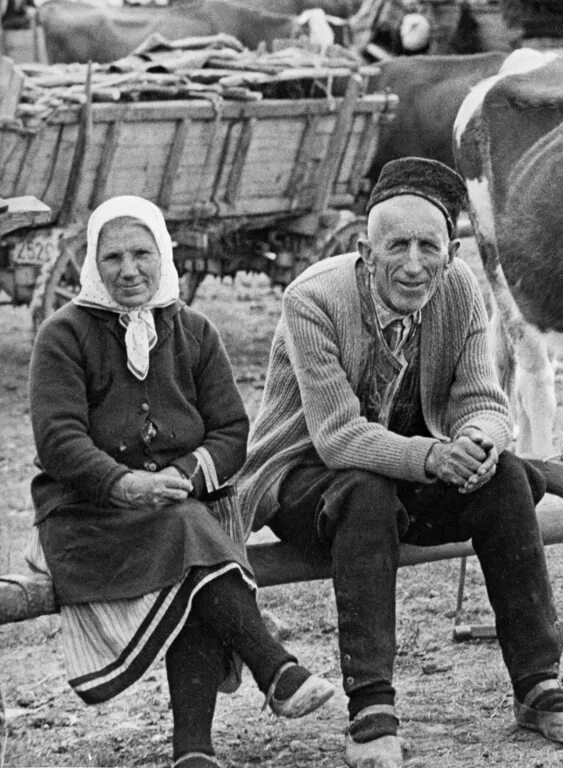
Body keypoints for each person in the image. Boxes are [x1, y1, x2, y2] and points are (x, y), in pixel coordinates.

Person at [236, 157, 563, 768]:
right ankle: (372, 711)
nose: (413, 264)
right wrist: (436, 456)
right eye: (396, 246)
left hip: (407, 471)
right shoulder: (312, 300)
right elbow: (337, 439)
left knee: (508, 477)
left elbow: (482, 402)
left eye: (428, 246)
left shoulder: (460, 287)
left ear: (451, 249)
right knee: (364, 492)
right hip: (304, 481)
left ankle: (540, 686)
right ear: (365, 250)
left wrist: (480, 445)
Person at [27, 196, 336, 768]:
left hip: (177, 507)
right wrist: (122, 484)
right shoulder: (63, 335)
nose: (129, 269)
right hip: (90, 515)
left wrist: (185, 474)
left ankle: (194, 752)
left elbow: (230, 431)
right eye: (112, 256)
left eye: (142, 253)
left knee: (192, 550)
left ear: (164, 254)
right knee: (195, 540)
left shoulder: (194, 330)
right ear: (93, 262)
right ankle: (273, 668)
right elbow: (59, 440)